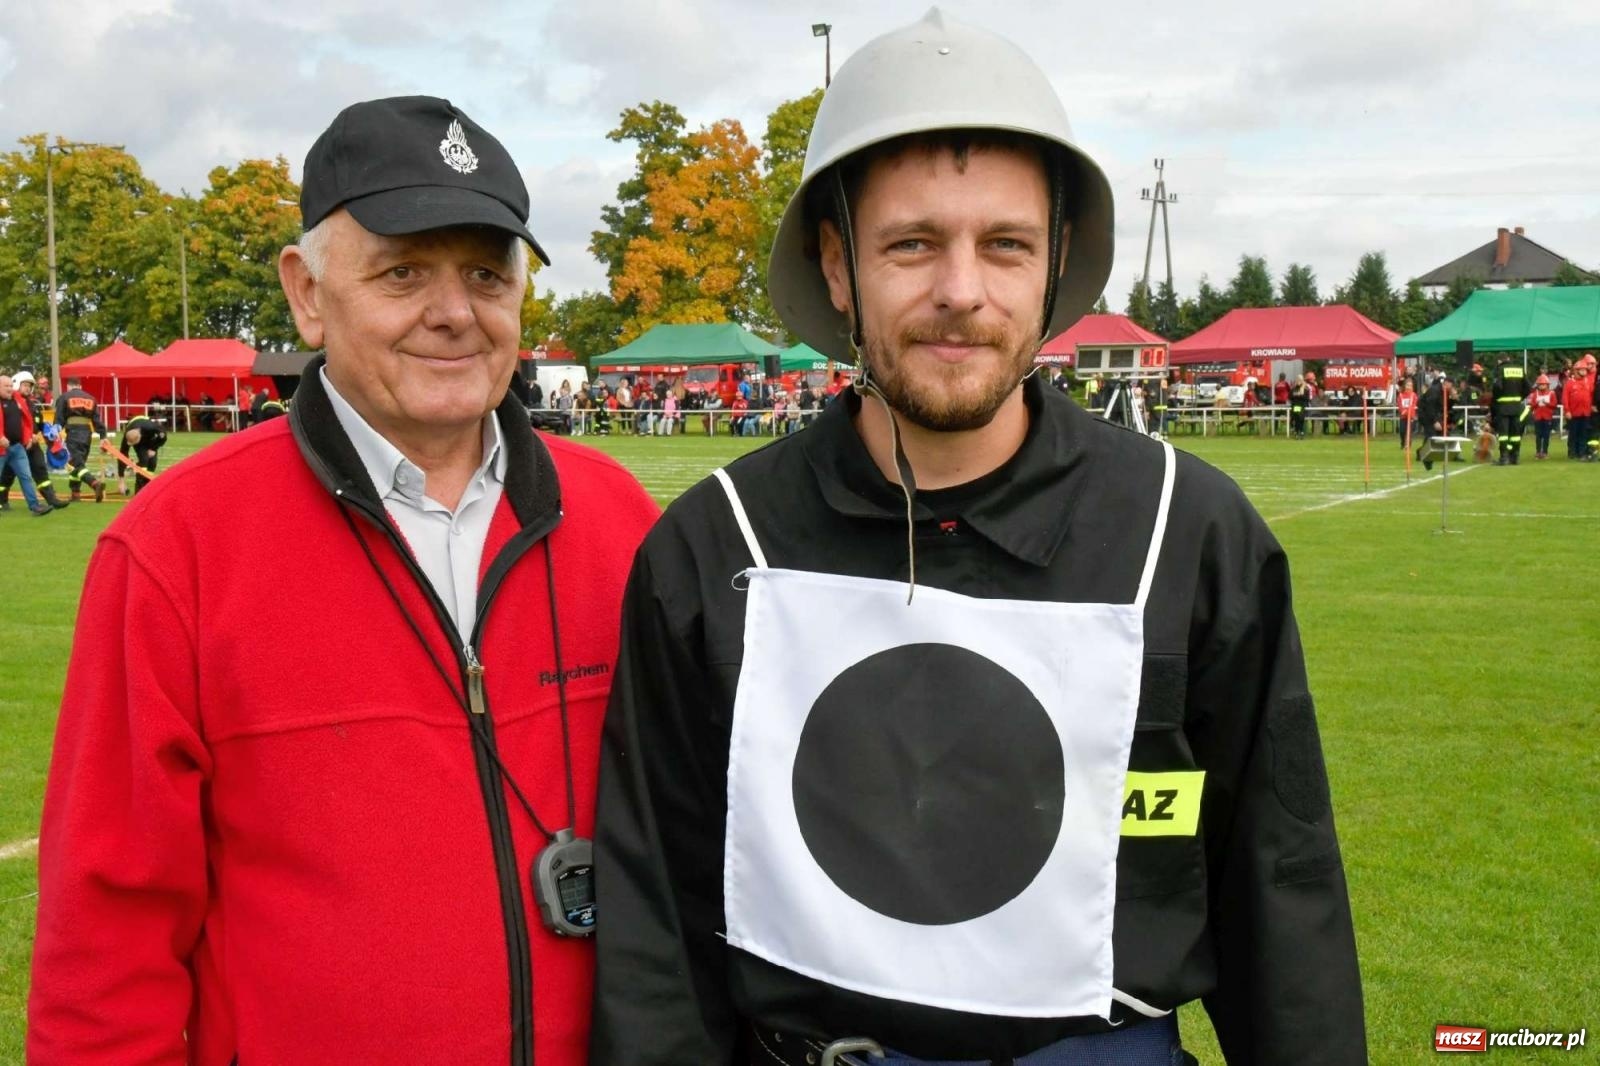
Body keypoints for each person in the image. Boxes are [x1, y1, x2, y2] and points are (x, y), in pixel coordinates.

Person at [590, 12, 1363, 1066]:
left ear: (1053, 267)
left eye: (1004, 244)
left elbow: (1283, 900)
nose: (961, 290)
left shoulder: (1189, 532)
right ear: (834, 263)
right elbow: (656, 941)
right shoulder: (712, 550)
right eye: (911, 243)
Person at [29, 95, 660, 1066]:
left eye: (486, 275)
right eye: (403, 271)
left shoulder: (621, 523)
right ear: (308, 291)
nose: (454, 313)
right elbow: (104, 948)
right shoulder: (174, 549)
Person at [0, 370, 71, 510]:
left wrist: (42, 436)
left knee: (35, 471)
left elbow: (32, 423)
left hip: (25, 445)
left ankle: (44, 502)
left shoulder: (29, 404)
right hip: (7, 446)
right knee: (6, 477)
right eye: (24, 385)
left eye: (29, 385)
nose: (27, 388)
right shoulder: (11, 402)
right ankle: (3, 500)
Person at [0, 373, 52, 516]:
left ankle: (35, 506)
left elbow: (27, 421)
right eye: (6, 386)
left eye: (11, 385)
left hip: (17, 447)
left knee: (26, 476)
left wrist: (28, 437)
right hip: (1, 449)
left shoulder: (17, 399)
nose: (10, 389)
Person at [110, 414, 169, 495]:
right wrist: (121, 481)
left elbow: (163, 436)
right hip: (139, 438)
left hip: (150, 438)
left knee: (152, 463)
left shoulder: (151, 427)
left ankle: (148, 487)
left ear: (139, 437)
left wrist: (153, 449)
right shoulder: (128, 435)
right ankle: (139, 491)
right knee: (144, 460)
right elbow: (122, 457)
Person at [1489, 358, 1528, 464]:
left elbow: (1497, 386)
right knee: (1515, 434)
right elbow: (1528, 388)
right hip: (1516, 406)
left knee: (1503, 434)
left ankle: (1504, 458)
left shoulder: (1500, 370)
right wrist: (1519, 397)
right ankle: (1515, 457)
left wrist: (1498, 398)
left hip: (1503, 407)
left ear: (1499, 361)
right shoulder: (1519, 369)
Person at [1416, 374, 1453, 470]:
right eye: (1451, 385)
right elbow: (1430, 407)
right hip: (1426, 415)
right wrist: (1435, 421)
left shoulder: (1445, 392)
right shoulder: (1435, 390)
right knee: (1431, 435)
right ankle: (1426, 458)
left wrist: (1453, 399)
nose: (1452, 387)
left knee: (1441, 434)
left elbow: (1444, 407)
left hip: (1434, 415)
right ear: (1446, 383)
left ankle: (1421, 452)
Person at [1564, 359, 1592, 460]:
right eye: (1582, 370)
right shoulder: (1570, 383)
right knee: (1573, 434)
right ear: (1576, 370)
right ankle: (1572, 452)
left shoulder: (1587, 382)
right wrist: (1567, 411)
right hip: (1573, 414)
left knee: (1583, 434)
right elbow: (1565, 398)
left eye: (1585, 370)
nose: (1585, 372)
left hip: (1585, 413)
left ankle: (1582, 453)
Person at [1526, 374, 1558, 459]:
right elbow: (1531, 405)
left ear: (1547, 385)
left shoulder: (1552, 393)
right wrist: (1537, 403)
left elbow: (1554, 405)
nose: (1542, 386)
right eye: (1540, 384)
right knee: (1538, 435)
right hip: (1538, 417)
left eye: (1543, 384)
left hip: (1547, 417)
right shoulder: (1535, 394)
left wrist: (1547, 403)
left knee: (1546, 435)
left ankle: (1545, 452)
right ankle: (1538, 452)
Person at [1396, 377, 1418, 451]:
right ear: (1405, 386)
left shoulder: (1414, 395)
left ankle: (1407, 445)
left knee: (1409, 432)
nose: (1409, 387)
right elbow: (1400, 406)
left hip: (1411, 416)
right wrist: (1404, 412)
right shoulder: (1401, 395)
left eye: (1410, 385)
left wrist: (1409, 413)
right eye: (1407, 385)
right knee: (1402, 431)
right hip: (1403, 416)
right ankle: (1403, 443)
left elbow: (1413, 405)